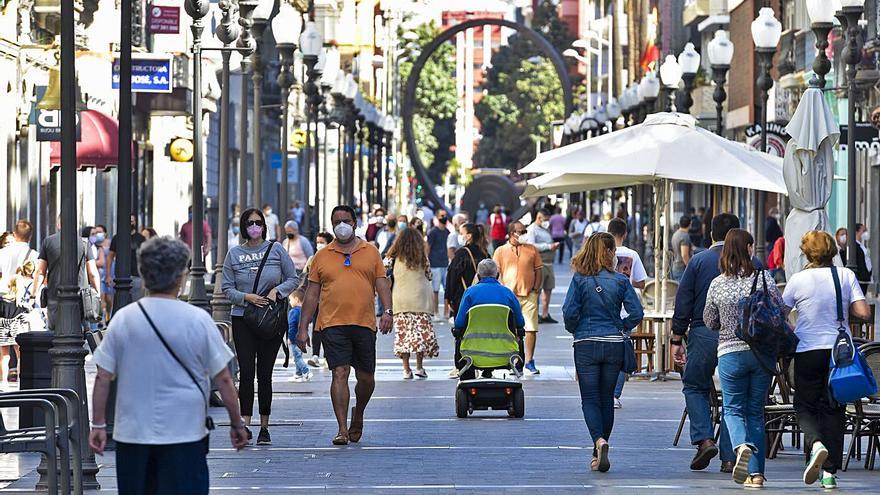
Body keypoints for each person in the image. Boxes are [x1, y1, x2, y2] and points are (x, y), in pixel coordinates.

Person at [88, 237, 248, 493]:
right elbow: (224, 379)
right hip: (185, 433)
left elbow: (103, 376)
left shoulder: (124, 319)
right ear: (179, 277)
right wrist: (237, 423)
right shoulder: (197, 320)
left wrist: (97, 424)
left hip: (133, 435)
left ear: (143, 272)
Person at [296, 205, 393, 445]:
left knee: (367, 378)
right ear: (332, 225)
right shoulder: (321, 256)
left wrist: (388, 312)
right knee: (340, 372)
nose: (342, 224)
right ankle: (341, 428)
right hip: (332, 323)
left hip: (364, 322)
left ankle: (357, 414)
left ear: (355, 223)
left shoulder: (370, 252)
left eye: (346, 220)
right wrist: (302, 327)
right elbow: (311, 294)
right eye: (337, 220)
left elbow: (382, 284)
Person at [671, 213, 761, 473]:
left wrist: (677, 336)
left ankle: (705, 439)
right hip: (743, 338)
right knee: (736, 397)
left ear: (711, 234)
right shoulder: (753, 263)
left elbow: (684, 299)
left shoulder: (698, 260)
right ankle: (729, 457)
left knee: (695, 386)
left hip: (703, 333)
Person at [782, 230, 872, 489]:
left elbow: (781, 314)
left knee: (804, 405)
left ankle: (816, 443)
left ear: (806, 252)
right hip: (838, 352)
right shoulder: (845, 275)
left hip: (807, 350)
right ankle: (829, 473)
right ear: (832, 250)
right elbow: (864, 313)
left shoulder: (798, 280)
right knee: (835, 408)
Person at [703, 229, 781, 488]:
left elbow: (709, 320)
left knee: (733, 409)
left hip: (730, 354)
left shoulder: (718, 284)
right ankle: (756, 475)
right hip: (760, 355)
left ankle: (740, 445)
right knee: (755, 413)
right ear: (748, 249)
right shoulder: (764, 278)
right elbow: (779, 310)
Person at [563, 232, 643, 473]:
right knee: (606, 398)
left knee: (589, 398)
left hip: (586, 343)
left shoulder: (579, 280)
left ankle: (598, 441)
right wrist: (622, 326)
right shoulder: (620, 281)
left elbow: (569, 313)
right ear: (610, 253)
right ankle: (598, 450)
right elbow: (637, 313)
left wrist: (575, 329)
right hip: (613, 343)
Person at [221, 207, 299, 446]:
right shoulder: (234, 254)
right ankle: (245, 423)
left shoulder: (275, 250)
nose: (254, 227)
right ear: (244, 227)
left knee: (265, 374)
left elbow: (293, 278)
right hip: (243, 317)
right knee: (246, 372)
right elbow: (226, 287)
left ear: (264, 225)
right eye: (249, 223)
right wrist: (247, 297)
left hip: (269, 319)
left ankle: (264, 426)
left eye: (258, 222)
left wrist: (277, 291)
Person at [453, 259, 526, 379]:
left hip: (472, 353)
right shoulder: (508, 294)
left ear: (478, 276)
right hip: (504, 352)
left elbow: (458, 323)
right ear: (497, 275)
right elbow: (520, 323)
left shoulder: (470, 293)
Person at [386, 227, 439, 379]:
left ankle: (406, 369)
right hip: (420, 299)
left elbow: (382, 270)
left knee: (404, 334)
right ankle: (419, 367)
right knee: (420, 335)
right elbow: (429, 275)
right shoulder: (422, 257)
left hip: (400, 299)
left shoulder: (393, 257)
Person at [606, 218, 648, 408]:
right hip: (624, 313)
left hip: (604, 311)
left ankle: (604, 392)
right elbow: (641, 282)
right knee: (621, 353)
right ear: (625, 234)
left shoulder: (601, 254)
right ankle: (615, 395)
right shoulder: (632, 255)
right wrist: (627, 280)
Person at [493, 221, 543, 375]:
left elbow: (539, 270)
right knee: (510, 330)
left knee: (531, 328)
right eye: (520, 231)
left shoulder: (532, 249)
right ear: (511, 233)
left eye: (524, 231)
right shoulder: (501, 251)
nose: (523, 234)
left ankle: (529, 360)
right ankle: (515, 360)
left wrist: (536, 289)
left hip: (529, 295)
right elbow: (495, 273)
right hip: (509, 297)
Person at [35, 217, 101, 331]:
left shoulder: (48, 241)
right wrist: (97, 293)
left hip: (54, 294)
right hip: (80, 296)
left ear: (58, 224)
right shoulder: (84, 243)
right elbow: (93, 273)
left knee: (54, 332)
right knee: (80, 332)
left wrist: (33, 294)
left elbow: (40, 271)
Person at [444, 223, 490, 378]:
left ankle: (461, 364)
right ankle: (484, 364)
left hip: (463, 298)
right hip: (483, 299)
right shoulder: (484, 253)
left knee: (461, 332)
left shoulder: (462, 253)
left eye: (462, 232)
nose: (460, 235)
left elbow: (452, 276)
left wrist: (449, 297)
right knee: (482, 331)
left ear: (469, 235)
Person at [522, 208, 560, 325]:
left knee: (548, 288)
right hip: (539, 264)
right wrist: (548, 246)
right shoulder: (532, 230)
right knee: (537, 290)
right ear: (539, 218)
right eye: (545, 219)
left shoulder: (545, 229)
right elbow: (531, 245)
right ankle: (535, 314)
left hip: (549, 263)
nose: (547, 222)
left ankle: (545, 313)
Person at [305, 232, 334, 369]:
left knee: (329, 327)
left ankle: (328, 356)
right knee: (317, 326)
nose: (319, 245)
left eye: (322, 242)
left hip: (331, 299)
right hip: (317, 299)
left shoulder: (335, 258)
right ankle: (315, 355)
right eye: (317, 242)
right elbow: (306, 277)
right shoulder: (312, 259)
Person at [108, 216, 148, 302]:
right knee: (118, 303)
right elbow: (110, 257)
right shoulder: (117, 238)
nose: (130, 223)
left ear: (135, 222)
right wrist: (108, 275)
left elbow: (146, 260)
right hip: (119, 278)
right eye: (128, 221)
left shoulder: (141, 239)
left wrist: (145, 278)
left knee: (137, 304)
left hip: (137, 277)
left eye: (132, 221)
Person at [426, 209, 450, 322]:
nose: (444, 217)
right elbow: (428, 247)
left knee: (447, 289)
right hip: (435, 264)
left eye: (445, 215)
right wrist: (427, 261)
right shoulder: (433, 232)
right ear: (437, 217)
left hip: (445, 263)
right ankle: (435, 312)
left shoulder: (447, 232)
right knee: (435, 290)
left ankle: (446, 312)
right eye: (441, 215)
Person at [286, 288, 312, 382]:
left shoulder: (293, 312)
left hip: (294, 339)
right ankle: (298, 374)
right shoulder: (304, 311)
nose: (290, 302)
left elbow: (292, 325)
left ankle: (306, 371)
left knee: (297, 357)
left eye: (290, 300)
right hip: (302, 337)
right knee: (298, 356)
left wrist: (290, 338)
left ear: (296, 299)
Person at [671, 215, 693, 281]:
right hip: (681, 268)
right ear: (690, 224)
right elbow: (684, 255)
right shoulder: (685, 236)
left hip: (675, 266)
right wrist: (690, 268)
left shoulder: (676, 234)